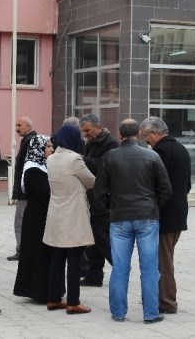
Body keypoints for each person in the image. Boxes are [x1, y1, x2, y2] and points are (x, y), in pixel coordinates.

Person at [94, 118, 172, 324]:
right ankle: (151, 313)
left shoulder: (109, 156)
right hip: (147, 216)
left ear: (120, 135)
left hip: (119, 217)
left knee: (119, 268)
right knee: (149, 269)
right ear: (139, 133)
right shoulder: (152, 156)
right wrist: (154, 206)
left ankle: (118, 312)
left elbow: (99, 191)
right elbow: (166, 189)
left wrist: (112, 206)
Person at [140, 117, 191, 315]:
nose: (146, 141)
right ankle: (161, 298)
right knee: (165, 258)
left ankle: (167, 302)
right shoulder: (182, 150)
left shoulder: (160, 152)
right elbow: (187, 185)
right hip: (179, 212)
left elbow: (158, 186)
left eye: (147, 136)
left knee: (164, 261)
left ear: (154, 133)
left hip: (165, 215)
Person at [43, 125, 96, 314]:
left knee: (57, 258)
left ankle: (54, 298)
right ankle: (73, 302)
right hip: (73, 213)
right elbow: (91, 181)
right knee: (74, 258)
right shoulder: (75, 159)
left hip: (56, 213)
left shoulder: (51, 159)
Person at [78, 114, 119, 287]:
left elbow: (102, 166)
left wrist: (81, 160)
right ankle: (94, 275)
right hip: (91, 198)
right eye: (83, 131)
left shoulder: (110, 144)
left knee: (101, 238)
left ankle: (120, 267)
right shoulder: (90, 143)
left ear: (98, 127)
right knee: (92, 240)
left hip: (103, 199)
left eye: (88, 130)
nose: (85, 134)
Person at [13, 135, 55, 303]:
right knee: (38, 252)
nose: (51, 150)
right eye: (48, 146)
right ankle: (38, 290)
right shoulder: (32, 170)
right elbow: (46, 194)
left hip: (42, 216)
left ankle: (44, 289)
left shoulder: (43, 167)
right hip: (37, 218)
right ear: (38, 149)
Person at [9, 117, 37, 261]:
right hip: (26, 190)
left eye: (19, 125)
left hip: (25, 191)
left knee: (20, 221)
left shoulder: (29, 141)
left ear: (28, 126)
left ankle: (22, 250)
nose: (17, 128)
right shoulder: (29, 140)